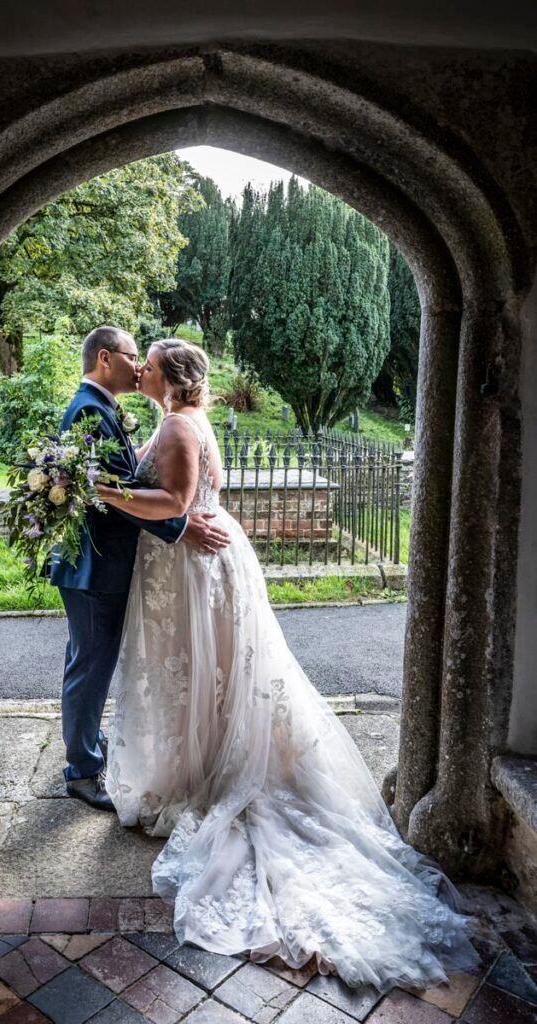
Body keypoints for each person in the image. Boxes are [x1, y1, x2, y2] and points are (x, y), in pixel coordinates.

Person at [97, 337, 481, 993]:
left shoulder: (182, 426)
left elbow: (175, 505)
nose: (143, 370)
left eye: (151, 365)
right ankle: (193, 753)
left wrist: (104, 492)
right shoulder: (174, 420)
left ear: (172, 377)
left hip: (194, 568)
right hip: (186, 568)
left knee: (199, 672)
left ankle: (204, 765)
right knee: (196, 673)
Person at [50, 326, 230, 811]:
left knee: (93, 662)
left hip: (110, 563)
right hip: (94, 568)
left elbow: (123, 488)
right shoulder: (91, 409)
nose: (139, 368)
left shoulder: (110, 410)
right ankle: (83, 770)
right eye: (135, 359)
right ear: (106, 359)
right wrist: (179, 528)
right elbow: (104, 495)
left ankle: (88, 749)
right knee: (90, 666)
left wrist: (172, 520)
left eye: (146, 363)